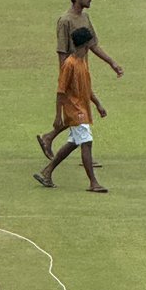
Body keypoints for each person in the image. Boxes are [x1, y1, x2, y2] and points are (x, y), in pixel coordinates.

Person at [37, 0, 123, 159]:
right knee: (78, 112)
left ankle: (50, 138)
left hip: (82, 69)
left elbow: (93, 45)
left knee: (79, 111)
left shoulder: (85, 18)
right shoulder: (65, 21)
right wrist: (65, 77)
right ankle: (57, 141)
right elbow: (62, 51)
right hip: (71, 72)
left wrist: (111, 63)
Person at [34, 27, 108, 192]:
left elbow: (87, 88)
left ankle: (47, 172)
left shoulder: (82, 63)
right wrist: (58, 116)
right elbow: (60, 91)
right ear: (86, 43)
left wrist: (98, 104)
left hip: (82, 109)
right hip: (75, 111)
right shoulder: (70, 64)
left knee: (73, 143)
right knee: (87, 143)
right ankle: (93, 182)